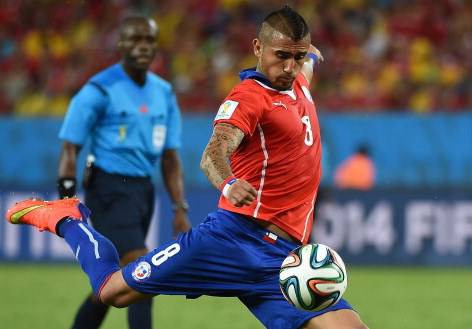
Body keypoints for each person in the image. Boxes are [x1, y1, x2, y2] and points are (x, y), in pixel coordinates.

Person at [7, 6, 368, 329]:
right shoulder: (249, 98)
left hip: (285, 261)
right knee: (111, 291)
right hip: (231, 241)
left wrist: (311, 57)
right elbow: (213, 153)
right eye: (281, 56)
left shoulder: (298, 80)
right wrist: (228, 184)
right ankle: (66, 219)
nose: (289, 66)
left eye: (297, 56)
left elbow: (306, 66)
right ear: (258, 48)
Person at [56, 16, 191, 329]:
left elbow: (170, 157)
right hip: (108, 188)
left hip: (143, 191)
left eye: (148, 40)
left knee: (114, 281)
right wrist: (66, 204)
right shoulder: (99, 90)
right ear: (120, 44)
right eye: (135, 40)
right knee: (144, 269)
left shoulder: (164, 93)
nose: (143, 47)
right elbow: (69, 149)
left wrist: (179, 207)